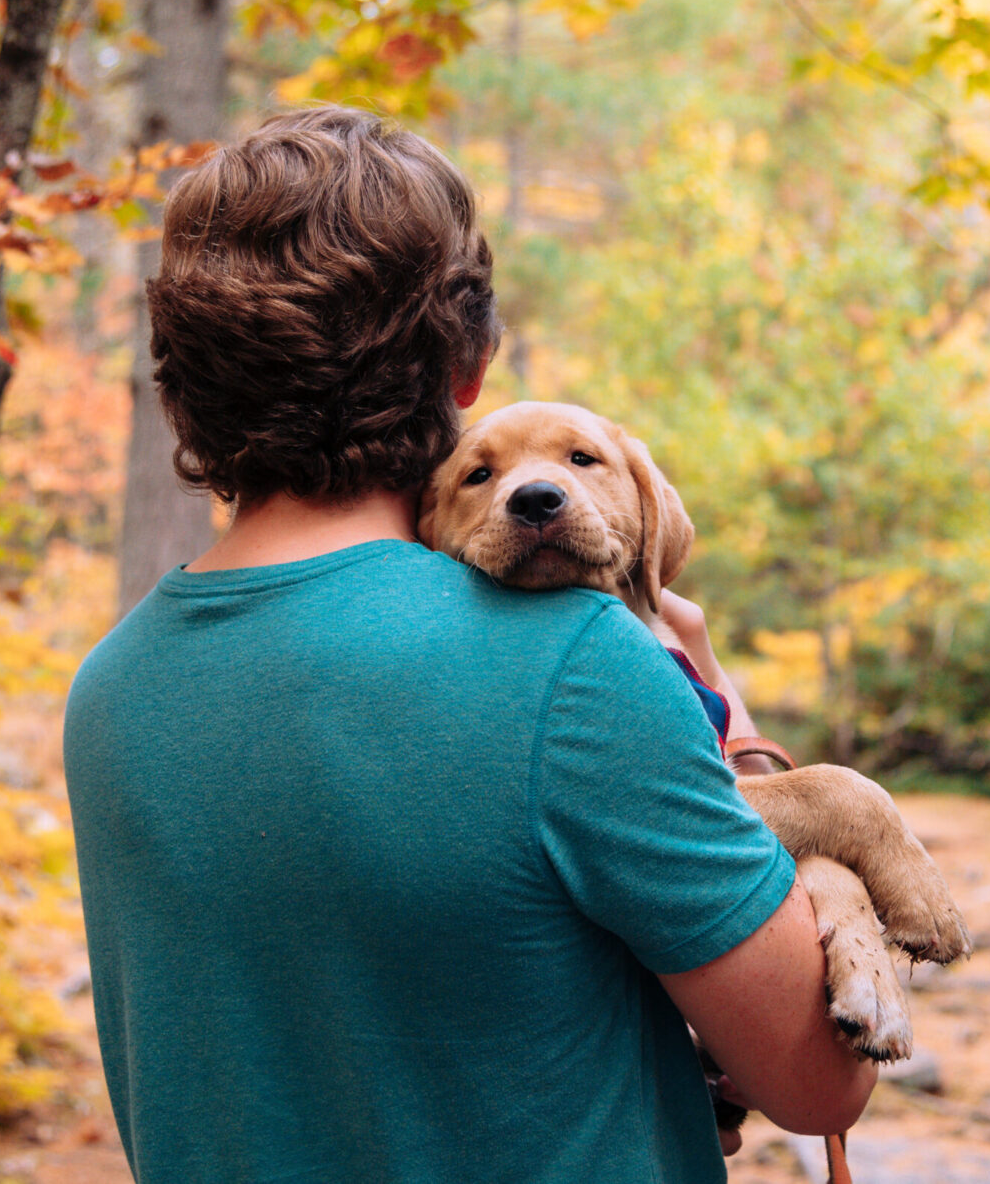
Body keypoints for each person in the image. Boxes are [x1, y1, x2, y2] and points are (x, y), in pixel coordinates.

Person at [63, 104, 873, 1184]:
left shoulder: (111, 688)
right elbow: (822, 1080)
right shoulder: (570, 656)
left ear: (183, 391)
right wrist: (733, 722)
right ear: (468, 363)